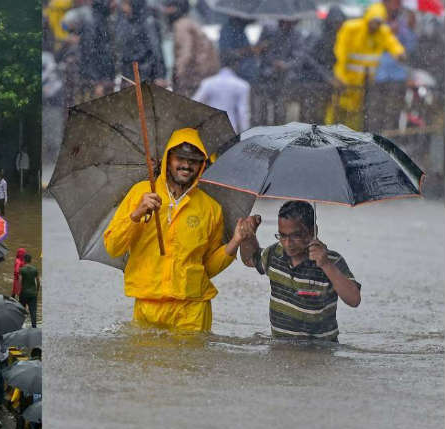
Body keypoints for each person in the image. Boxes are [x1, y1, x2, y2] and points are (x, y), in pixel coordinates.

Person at [103, 128, 243, 332]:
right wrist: (136, 214)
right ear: (168, 159)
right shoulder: (141, 193)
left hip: (192, 310)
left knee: (188, 363)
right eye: (180, 158)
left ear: (202, 165)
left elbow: (208, 268)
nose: (186, 165)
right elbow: (113, 247)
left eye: (194, 160)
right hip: (147, 305)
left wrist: (235, 241)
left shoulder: (211, 208)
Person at [235, 201, 361, 341]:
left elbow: (354, 299)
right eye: (282, 236)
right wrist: (249, 235)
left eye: (296, 236)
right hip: (281, 348)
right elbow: (249, 259)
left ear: (313, 232)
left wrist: (326, 265)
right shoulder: (274, 254)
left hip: (321, 352)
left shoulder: (332, 260)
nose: (288, 244)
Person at [327, 2, 405, 130]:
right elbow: (341, 54)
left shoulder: (382, 31)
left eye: (379, 23)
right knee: (337, 111)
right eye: (374, 21)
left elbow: (392, 43)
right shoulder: (352, 28)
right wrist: (339, 76)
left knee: (356, 115)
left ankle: (351, 141)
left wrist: (399, 53)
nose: (376, 26)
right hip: (346, 81)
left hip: (364, 83)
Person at [163, 0, 220, 97]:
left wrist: (177, 75)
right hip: (203, 74)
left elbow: (185, 53)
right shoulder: (190, 22)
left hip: (194, 77)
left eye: (169, 8)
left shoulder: (181, 25)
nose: (165, 11)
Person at [192, 53, 251, 134]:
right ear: (236, 65)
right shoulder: (242, 85)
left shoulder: (208, 83)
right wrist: (246, 132)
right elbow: (243, 112)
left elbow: (195, 103)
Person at [19, 253, 39, 328]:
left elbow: (20, 281)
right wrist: (37, 291)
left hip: (24, 293)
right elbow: (38, 281)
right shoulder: (34, 269)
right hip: (33, 294)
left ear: (24, 260)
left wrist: (19, 292)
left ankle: (20, 326)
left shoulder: (22, 269)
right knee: (33, 312)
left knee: (21, 311)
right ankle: (34, 327)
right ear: (31, 260)